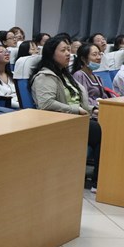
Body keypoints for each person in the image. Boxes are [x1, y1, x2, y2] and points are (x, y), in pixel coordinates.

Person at [29, 37, 101, 190]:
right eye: (63, 50)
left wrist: (93, 110)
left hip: (76, 120)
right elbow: (46, 104)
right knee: (100, 130)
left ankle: (102, 178)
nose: (68, 53)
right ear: (51, 54)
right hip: (61, 124)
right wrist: (76, 110)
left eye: (69, 49)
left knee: (108, 125)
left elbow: (78, 101)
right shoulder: (45, 76)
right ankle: (98, 181)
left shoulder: (65, 75)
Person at [71, 43, 111, 116]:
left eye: (99, 54)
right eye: (94, 54)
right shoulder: (79, 75)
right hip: (90, 114)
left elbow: (104, 96)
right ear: (83, 59)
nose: (99, 57)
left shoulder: (97, 78)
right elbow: (83, 99)